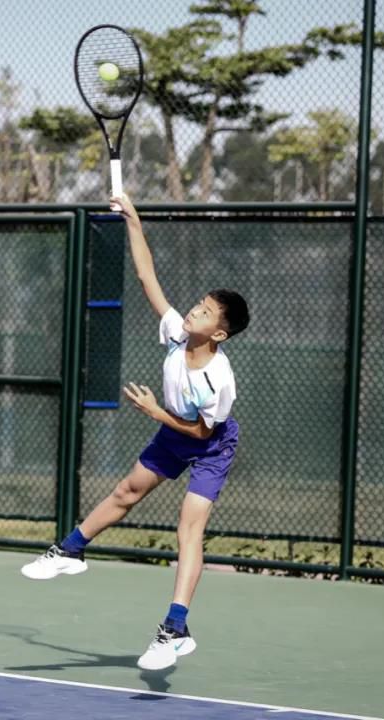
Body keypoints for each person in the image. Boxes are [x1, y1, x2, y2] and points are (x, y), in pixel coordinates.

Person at [20, 193, 250, 671]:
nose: (194, 311)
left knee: (188, 529)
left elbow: (201, 433)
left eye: (206, 312)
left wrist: (154, 412)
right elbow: (147, 276)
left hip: (209, 444)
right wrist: (133, 220)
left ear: (219, 334)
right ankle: (71, 550)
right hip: (174, 431)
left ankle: (175, 628)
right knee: (126, 491)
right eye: (199, 304)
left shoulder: (219, 380)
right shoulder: (177, 334)